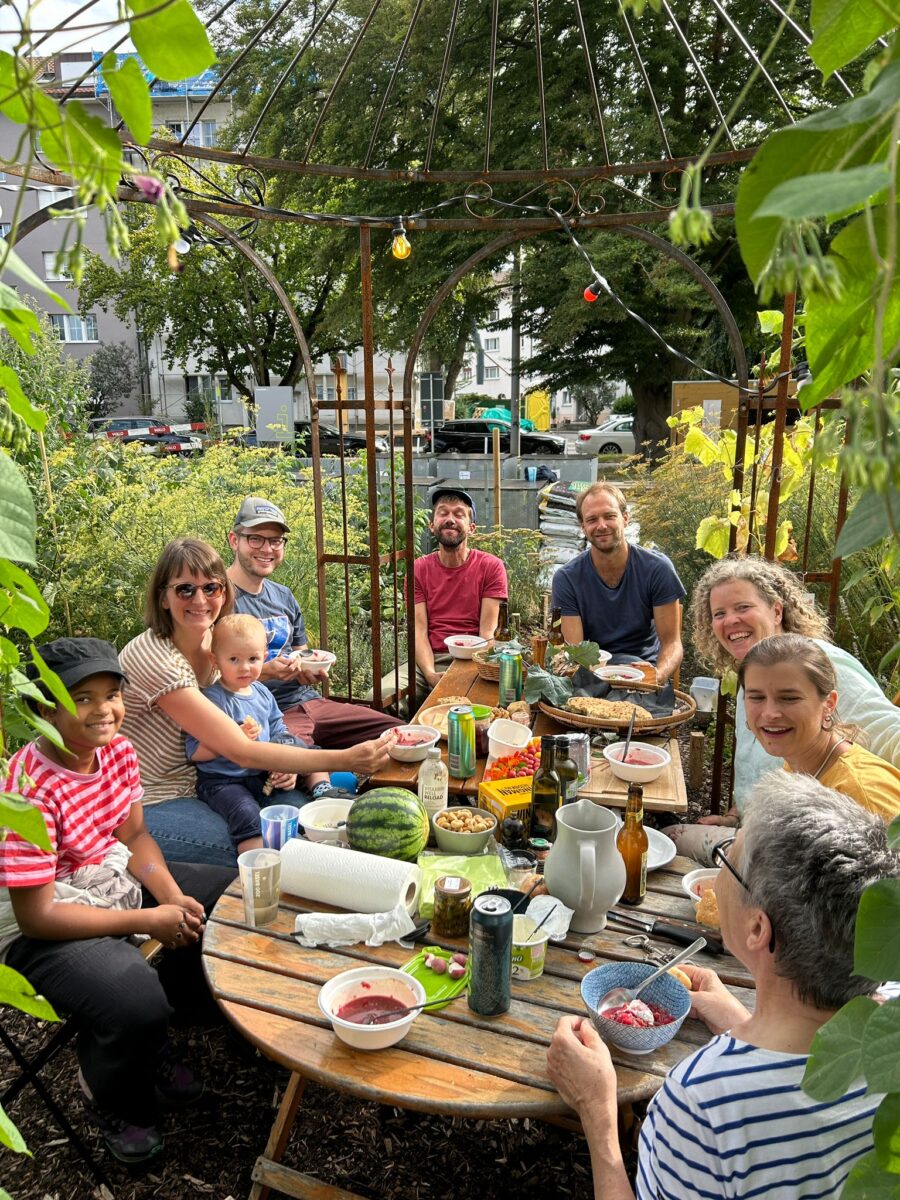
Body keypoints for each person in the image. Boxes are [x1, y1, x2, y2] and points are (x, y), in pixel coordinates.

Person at [547, 774, 896, 1200]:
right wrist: (743, 1022)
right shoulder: (890, 1037)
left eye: (727, 859)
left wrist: (597, 1110)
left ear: (758, 929)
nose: (718, 874)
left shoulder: (703, 1104)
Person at [0, 637, 237, 1164]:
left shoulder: (117, 752)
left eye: (112, 694)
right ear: (45, 709)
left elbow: (132, 836)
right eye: (82, 698)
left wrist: (172, 897)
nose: (104, 710)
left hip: (103, 878)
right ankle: (116, 1096)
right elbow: (36, 916)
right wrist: (147, 917)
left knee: (223, 901)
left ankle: (155, 1040)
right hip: (34, 917)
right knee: (133, 996)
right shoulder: (26, 788)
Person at [120, 538, 395, 866]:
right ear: (163, 596)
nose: (200, 599)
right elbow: (239, 748)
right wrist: (348, 759)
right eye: (185, 589)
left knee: (301, 820)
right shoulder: (155, 658)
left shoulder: (215, 641)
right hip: (157, 796)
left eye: (211, 587)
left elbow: (246, 693)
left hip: (224, 777)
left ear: (224, 591)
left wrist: (283, 762)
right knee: (264, 845)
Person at [691, 556, 900, 807]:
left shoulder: (819, 662)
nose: (731, 620)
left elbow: (889, 733)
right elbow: (754, 768)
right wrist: (736, 815)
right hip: (764, 823)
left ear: (777, 611)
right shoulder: (754, 672)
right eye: (719, 613)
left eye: (743, 607)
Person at [226, 497, 403, 755]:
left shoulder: (283, 596)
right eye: (256, 539)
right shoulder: (216, 599)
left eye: (275, 541)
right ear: (234, 540)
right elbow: (209, 678)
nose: (267, 548)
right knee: (294, 764)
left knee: (400, 736)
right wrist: (265, 672)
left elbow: (303, 656)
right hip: (263, 715)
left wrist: (309, 671)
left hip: (310, 704)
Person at [186, 613, 322, 854]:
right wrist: (231, 738)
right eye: (234, 659)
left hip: (260, 774)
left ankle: (317, 810)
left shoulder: (261, 692)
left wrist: (283, 765)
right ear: (215, 660)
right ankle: (257, 861)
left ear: (265, 656)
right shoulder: (212, 699)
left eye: (253, 658)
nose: (245, 667)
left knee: (295, 805)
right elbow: (194, 751)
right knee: (246, 814)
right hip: (223, 781)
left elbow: (278, 729)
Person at [550, 482, 685, 683]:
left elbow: (672, 644)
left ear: (625, 518)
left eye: (609, 516)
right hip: (593, 673)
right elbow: (575, 653)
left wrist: (657, 676)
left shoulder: (657, 569)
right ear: (583, 527)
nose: (601, 526)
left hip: (644, 671)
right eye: (592, 519)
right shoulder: (567, 579)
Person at [413, 485, 508, 691]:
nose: (450, 519)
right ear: (432, 525)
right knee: (381, 695)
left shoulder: (491, 567)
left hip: (473, 658)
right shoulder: (418, 569)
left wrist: (466, 675)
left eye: (459, 514)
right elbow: (419, 632)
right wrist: (430, 674)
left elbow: (488, 633)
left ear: (471, 527)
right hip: (429, 658)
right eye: (443, 513)